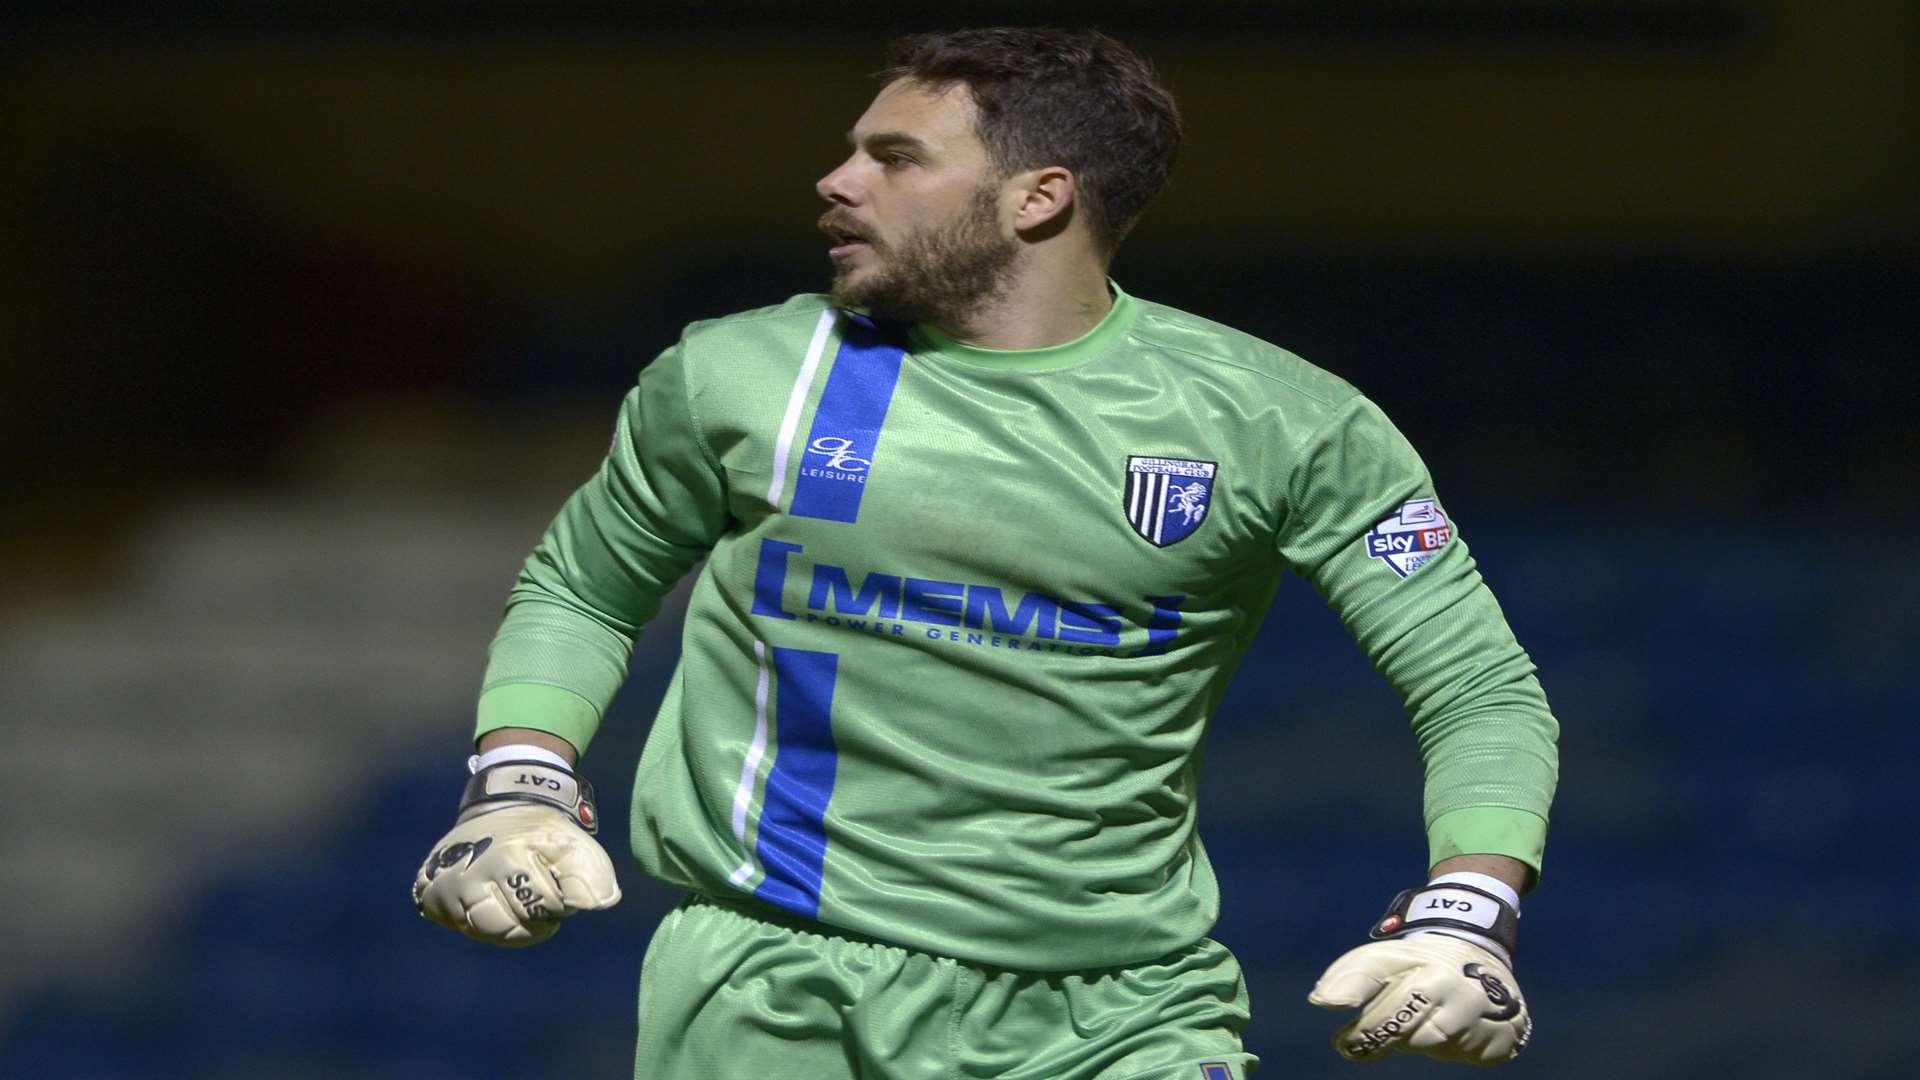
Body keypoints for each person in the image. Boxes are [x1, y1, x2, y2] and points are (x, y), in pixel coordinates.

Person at [413, 27, 1558, 1079]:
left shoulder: (1284, 424)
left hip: (1127, 1013)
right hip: (774, 987)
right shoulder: (745, 377)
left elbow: (1480, 690)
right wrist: (519, 781)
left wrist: (1470, 909)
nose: (836, 179)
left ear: (1038, 197)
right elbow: (584, 584)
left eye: (894, 157)